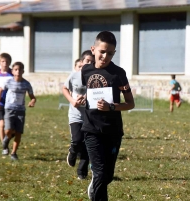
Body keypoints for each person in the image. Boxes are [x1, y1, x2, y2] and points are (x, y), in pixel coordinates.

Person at [81, 31, 135, 201]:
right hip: (91, 129)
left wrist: (111, 107)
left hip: (113, 131)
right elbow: (86, 92)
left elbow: (130, 103)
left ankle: (96, 180)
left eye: (110, 53)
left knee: (107, 176)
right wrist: (83, 97)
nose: (105, 56)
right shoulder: (85, 70)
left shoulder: (118, 73)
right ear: (93, 49)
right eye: (102, 52)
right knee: (100, 173)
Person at [0, 62, 36, 160]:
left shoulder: (26, 84)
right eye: (16, 69)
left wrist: (32, 101)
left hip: (20, 111)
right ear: (12, 71)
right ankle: (7, 138)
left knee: (18, 132)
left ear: (23, 71)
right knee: (8, 130)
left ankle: (13, 153)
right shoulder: (8, 81)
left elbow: (32, 97)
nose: (18, 71)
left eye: (20, 69)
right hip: (9, 109)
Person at [63, 50, 94, 180]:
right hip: (75, 115)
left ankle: (82, 173)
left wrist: (87, 97)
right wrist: (72, 101)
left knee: (88, 144)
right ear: (82, 62)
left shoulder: (95, 77)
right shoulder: (74, 76)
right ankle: (73, 151)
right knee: (77, 140)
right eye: (87, 61)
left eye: (92, 62)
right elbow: (65, 89)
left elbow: (98, 93)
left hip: (89, 116)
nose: (89, 64)